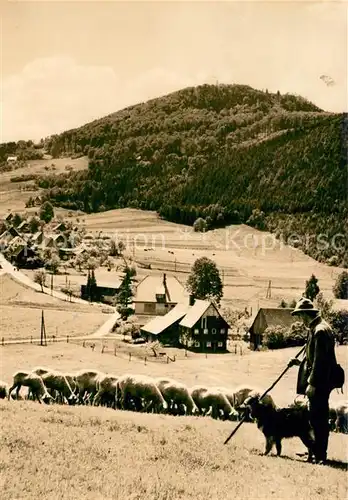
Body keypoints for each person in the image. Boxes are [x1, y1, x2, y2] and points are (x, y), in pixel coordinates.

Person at [288, 297, 336, 465]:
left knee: (319, 419)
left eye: (300, 316)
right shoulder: (316, 328)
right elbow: (313, 357)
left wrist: (312, 384)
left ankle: (320, 455)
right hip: (320, 381)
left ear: (305, 314)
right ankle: (313, 450)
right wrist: (299, 363)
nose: (299, 320)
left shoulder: (320, 331)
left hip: (320, 383)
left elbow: (320, 362)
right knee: (313, 417)